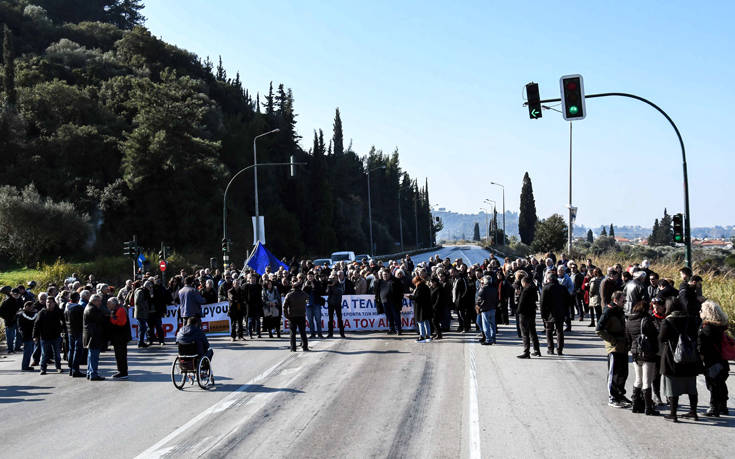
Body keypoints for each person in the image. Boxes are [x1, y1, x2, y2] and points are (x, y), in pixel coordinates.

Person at [658, 297, 701, 422]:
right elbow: (695, 335)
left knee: (672, 388)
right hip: (690, 357)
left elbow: (661, 338)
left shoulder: (667, 321)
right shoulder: (691, 319)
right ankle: (693, 412)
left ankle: (673, 413)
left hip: (673, 358)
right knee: (691, 387)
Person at [625, 300, 660, 415]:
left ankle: (635, 405)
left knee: (638, 379)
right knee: (647, 381)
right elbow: (655, 335)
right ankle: (648, 408)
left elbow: (628, 338)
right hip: (647, 353)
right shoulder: (646, 320)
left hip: (635, 353)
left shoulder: (629, 320)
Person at [596, 291, 630, 408]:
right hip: (614, 347)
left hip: (623, 346)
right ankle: (612, 397)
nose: (624, 303)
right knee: (614, 373)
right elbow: (599, 330)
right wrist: (613, 341)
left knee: (623, 373)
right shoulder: (608, 311)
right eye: (623, 301)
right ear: (616, 300)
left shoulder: (619, 311)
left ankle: (620, 395)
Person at [698, 300, 730, 417]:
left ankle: (714, 408)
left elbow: (702, 345)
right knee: (721, 383)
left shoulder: (706, 327)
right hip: (722, 359)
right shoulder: (721, 326)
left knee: (712, 384)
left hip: (712, 360)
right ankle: (723, 406)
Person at [33, 296, 66, 375]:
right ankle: (43, 369)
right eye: (47, 302)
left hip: (56, 336)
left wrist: (63, 331)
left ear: (54, 303)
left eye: (50, 302)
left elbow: (64, 322)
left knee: (57, 354)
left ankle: (58, 367)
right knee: (45, 354)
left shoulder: (58, 311)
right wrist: (35, 336)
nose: (49, 304)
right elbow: (36, 325)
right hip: (44, 337)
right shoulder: (42, 312)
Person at [540, 272, 568, 355]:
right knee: (560, 331)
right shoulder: (562, 288)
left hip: (549, 313)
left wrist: (543, 314)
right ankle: (560, 349)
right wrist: (566, 312)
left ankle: (550, 348)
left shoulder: (546, 288)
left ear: (548, 279)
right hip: (560, 312)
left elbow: (542, 302)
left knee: (549, 331)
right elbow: (568, 301)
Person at [83, 294, 107, 381]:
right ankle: (93, 374)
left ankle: (90, 372)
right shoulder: (92, 309)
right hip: (93, 335)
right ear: (94, 301)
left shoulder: (89, 307)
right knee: (94, 356)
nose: (100, 303)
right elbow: (100, 319)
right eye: (99, 301)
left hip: (90, 335)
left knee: (91, 356)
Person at [516, 275, 541, 358]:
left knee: (525, 333)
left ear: (524, 283)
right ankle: (537, 350)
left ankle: (526, 351)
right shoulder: (533, 289)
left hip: (524, 314)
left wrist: (518, 312)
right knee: (533, 331)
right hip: (532, 312)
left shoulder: (526, 290)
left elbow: (521, 303)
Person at [283, 275, 309, 352]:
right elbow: (308, 300)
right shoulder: (304, 294)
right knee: (303, 332)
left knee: (292, 334)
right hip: (301, 315)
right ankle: (305, 347)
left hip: (292, 316)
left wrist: (287, 316)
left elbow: (284, 307)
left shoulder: (289, 295)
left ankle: (293, 348)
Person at [107, 297, 131, 379]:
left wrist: (111, 319)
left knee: (121, 354)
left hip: (121, 337)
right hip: (118, 337)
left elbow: (121, 323)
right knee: (119, 355)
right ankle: (121, 371)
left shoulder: (120, 310)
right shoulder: (117, 309)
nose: (108, 305)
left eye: (109, 304)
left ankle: (123, 372)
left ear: (113, 303)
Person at [374, 269, 403, 335]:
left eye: (386, 274)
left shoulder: (395, 280)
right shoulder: (380, 282)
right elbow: (377, 291)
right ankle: (391, 329)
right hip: (384, 302)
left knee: (396, 316)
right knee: (389, 317)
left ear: (389, 274)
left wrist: (399, 300)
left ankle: (398, 329)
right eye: (384, 275)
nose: (385, 276)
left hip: (394, 302)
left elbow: (401, 291)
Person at [64, 292, 85, 377]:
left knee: (71, 350)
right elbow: (83, 320)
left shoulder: (66, 307)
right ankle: (75, 369)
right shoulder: (79, 308)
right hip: (78, 331)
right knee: (77, 350)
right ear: (77, 299)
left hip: (69, 331)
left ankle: (71, 369)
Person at [475, 275, 498, 346]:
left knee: (486, 325)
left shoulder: (483, 288)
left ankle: (488, 340)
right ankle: (493, 338)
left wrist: (478, 306)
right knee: (492, 325)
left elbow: (479, 299)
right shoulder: (494, 288)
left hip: (485, 309)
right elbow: (497, 299)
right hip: (493, 308)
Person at [411, 270, 432, 342]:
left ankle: (422, 336)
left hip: (420, 307)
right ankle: (428, 335)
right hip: (426, 306)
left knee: (420, 322)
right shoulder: (425, 286)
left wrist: (411, 297)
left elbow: (418, 297)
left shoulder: (419, 287)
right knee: (426, 321)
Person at [1, 287, 23, 353]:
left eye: (17, 294)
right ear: (11, 293)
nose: (16, 295)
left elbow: (23, 308)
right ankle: (10, 349)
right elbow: (1, 312)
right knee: (10, 336)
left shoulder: (20, 300)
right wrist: (8, 318)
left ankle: (17, 348)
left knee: (19, 335)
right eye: (15, 294)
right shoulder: (6, 301)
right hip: (9, 321)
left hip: (19, 320)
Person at [17, 301, 38, 371]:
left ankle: (26, 365)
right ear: (27, 307)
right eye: (31, 307)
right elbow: (30, 320)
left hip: (30, 335)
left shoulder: (30, 313)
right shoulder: (22, 315)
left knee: (30, 351)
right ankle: (24, 366)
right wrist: (35, 313)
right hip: (26, 335)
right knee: (27, 352)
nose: (32, 308)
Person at [325, 273, 345, 338]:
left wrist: (333, 286)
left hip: (337, 303)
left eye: (335, 278)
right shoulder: (329, 284)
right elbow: (327, 292)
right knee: (330, 319)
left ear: (337, 278)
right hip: (330, 303)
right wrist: (329, 286)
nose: (333, 279)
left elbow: (340, 292)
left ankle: (342, 333)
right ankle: (330, 333)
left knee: (339, 318)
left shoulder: (339, 284)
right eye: (332, 278)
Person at [133, 281, 151, 348]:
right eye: (149, 286)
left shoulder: (144, 291)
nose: (150, 288)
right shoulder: (140, 291)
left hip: (142, 313)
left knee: (143, 328)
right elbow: (138, 302)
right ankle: (140, 342)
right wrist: (144, 307)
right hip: (140, 313)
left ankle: (141, 342)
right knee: (142, 328)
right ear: (147, 286)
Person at [429, 276, 446, 340]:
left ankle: (439, 334)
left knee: (435, 321)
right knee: (434, 321)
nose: (430, 283)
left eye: (432, 282)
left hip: (437, 308)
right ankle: (436, 333)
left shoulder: (439, 288)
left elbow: (439, 299)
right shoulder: (432, 288)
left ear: (435, 282)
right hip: (432, 307)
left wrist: (434, 307)